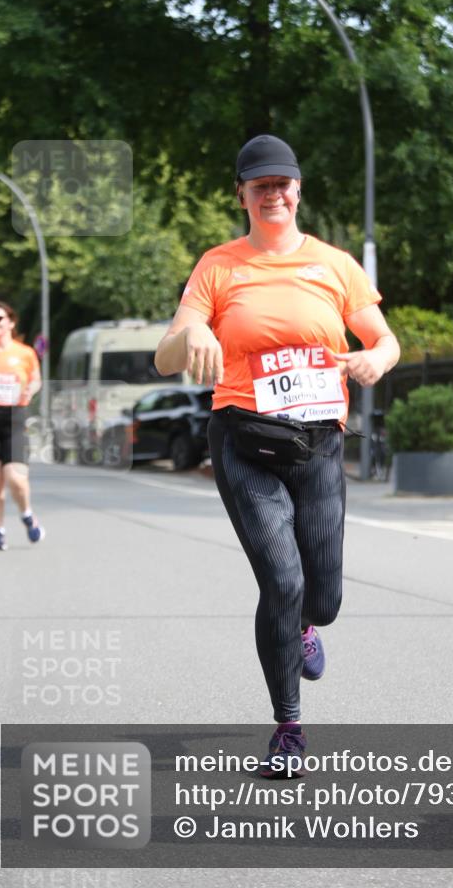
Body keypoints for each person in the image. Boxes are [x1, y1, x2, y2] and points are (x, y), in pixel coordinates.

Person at [156, 134, 399, 774]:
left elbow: (384, 339)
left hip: (318, 444)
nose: (273, 194)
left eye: (282, 183)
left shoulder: (336, 264)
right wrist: (195, 330)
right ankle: (288, 727)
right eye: (259, 185)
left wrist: (374, 357)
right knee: (283, 583)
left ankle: (305, 627)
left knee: (322, 601)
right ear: (242, 195)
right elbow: (167, 352)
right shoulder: (218, 266)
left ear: (298, 191)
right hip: (244, 441)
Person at [0, 300, 46, 550]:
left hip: (14, 420)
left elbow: (36, 380)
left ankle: (27, 514)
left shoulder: (25, 353)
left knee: (15, 479)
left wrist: (31, 388)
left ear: (11, 322)